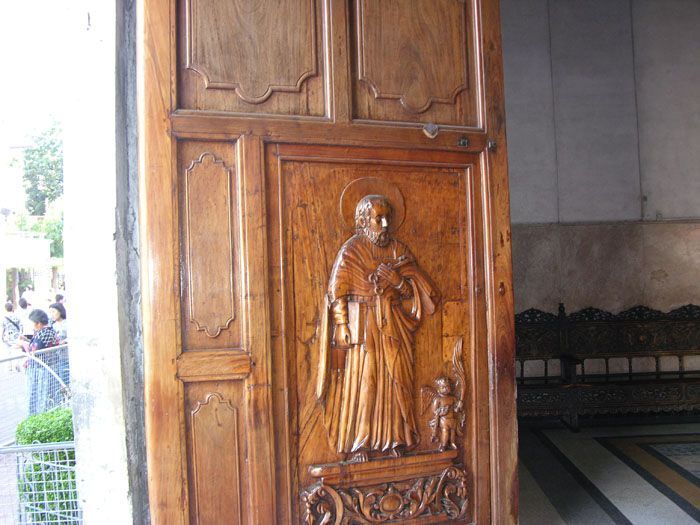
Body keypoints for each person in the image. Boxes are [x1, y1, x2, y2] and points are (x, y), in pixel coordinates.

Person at [316, 194, 440, 462]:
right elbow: (337, 291)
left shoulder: (398, 250)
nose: (384, 224)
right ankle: (361, 443)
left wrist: (398, 282)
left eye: (387, 219)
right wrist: (341, 323)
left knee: (396, 380)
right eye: (378, 218)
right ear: (364, 221)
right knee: (367, 381)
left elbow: (412, 292)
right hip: (364, 327)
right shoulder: (351, 250)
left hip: (394, 324)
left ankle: (396, 439)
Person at [17, 309, 60, 415]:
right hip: (51, 367)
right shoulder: (50, 331)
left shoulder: (42, 334)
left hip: (41, 370)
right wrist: (27, 340)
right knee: (49, 395)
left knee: (39, 395)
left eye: (32, 323)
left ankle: (38, 415)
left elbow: (33, 351)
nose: (32, 326)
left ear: (39, 323)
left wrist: (23, 344)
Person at [48, 302, 69, 385]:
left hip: (67, 356)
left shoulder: (67, 323)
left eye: (53, 311)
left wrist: (65, 341)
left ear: (60, 311)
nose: (52, 314)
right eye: (50, 312)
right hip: (58, 357)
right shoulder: (53, 326)